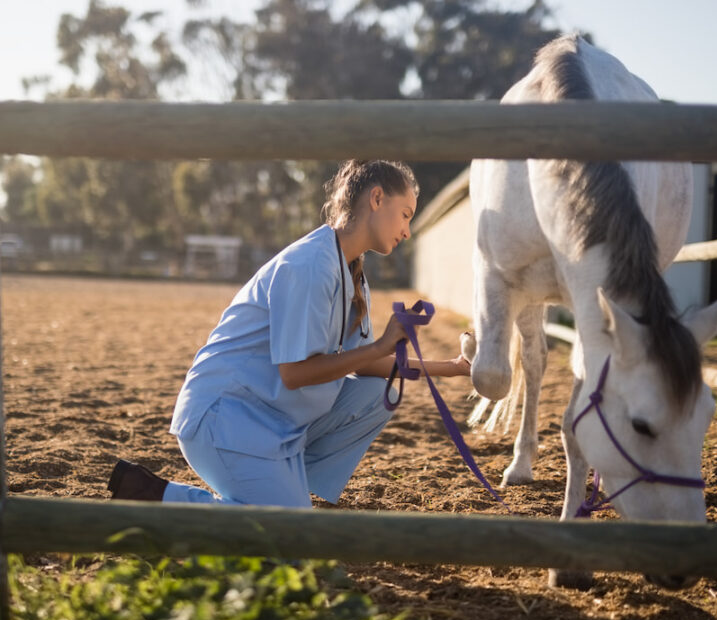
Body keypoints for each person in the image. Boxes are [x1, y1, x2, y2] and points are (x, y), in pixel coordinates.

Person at [108, 160, 470, 508]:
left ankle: (279, 482)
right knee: (291, 538)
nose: (407, 230)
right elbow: (295, 373)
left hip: (269, 420)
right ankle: (151, 496)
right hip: (222, 419)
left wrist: (454, 367)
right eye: (405, 214)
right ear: (376, 199)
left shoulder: (352, 272)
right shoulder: (311, 264)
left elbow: (368, 364)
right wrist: (380, 344)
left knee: (379, 393)